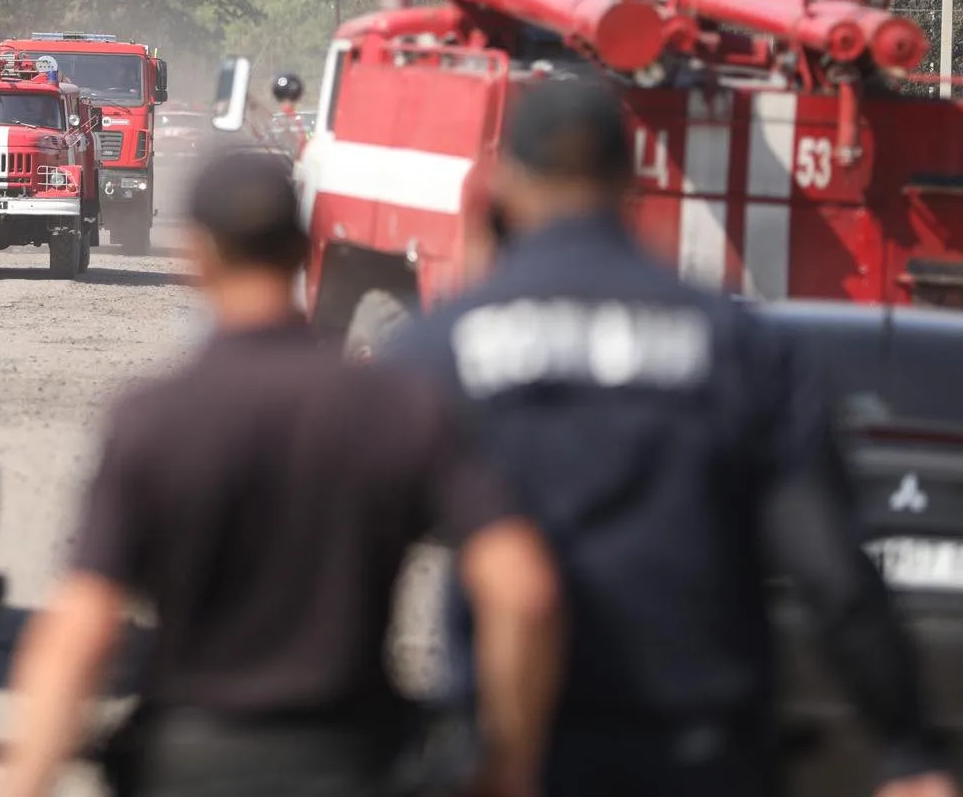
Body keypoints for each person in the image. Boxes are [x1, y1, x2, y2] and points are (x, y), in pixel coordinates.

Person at [384, 75, 958, 797]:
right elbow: (832, 574)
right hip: (701, 756)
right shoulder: (742, 347)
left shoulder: (438, 350)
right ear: (634, 180)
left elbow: (353, 554)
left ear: (506, 183)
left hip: (517, 754)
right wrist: (906, 746)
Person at [0, 150, 563, 797]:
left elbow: (81, 629)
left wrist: (23, 784)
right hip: (355, 760)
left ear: (197, 257)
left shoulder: (154, 420)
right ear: (303, 250)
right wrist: (508, 765)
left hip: (196, 766)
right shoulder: (398, 407)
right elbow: (520, 586)